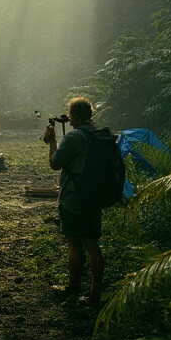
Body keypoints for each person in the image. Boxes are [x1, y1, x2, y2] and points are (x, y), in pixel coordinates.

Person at [42, 96, 105, 305]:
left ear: (75, 116)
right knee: (92, 243)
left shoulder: (74, 137)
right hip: (95, 196)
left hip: (75, 199)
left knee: (75, 245)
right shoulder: (99, 135)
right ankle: (96, 292)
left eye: (70, 115)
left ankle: (73, 286)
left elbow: (55, 163)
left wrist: (52, 141)